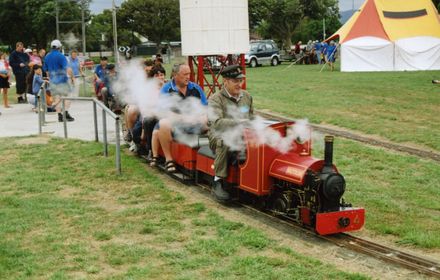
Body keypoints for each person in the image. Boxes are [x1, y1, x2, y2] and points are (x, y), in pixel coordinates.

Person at [208, 65, 254, 201]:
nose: (239, 84)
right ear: (225, 81)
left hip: (243, 135)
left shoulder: (247, 97)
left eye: (240, 81)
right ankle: (217, 181)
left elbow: (252, 118)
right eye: (235, 81)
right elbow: (216, 124)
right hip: (218, 135)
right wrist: (239, 122)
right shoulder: (216, 99)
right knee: (225, 140)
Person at [150, 63, 208, 172]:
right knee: (163, 123)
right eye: (185, 74)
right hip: (175, 124)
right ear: (175, 75)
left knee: (211, 121)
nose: (188, 77)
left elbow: (205, 108)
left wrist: (203, 117)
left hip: (194, 123)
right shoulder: (166, 89)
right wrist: (183, 118)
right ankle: (169, 159)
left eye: (189, 74)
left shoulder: (196, 88)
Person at [43, 39, 75, 122]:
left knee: (57, 98)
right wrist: (72, 78)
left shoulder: (47, 56)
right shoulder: (61, 56)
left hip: (53, 80)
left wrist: (50, 79)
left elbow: (46, 71)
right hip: (62, 80)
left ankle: (59, 115)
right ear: (59, 47)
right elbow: (67, 68)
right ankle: (66, 112)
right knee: (68, 96)